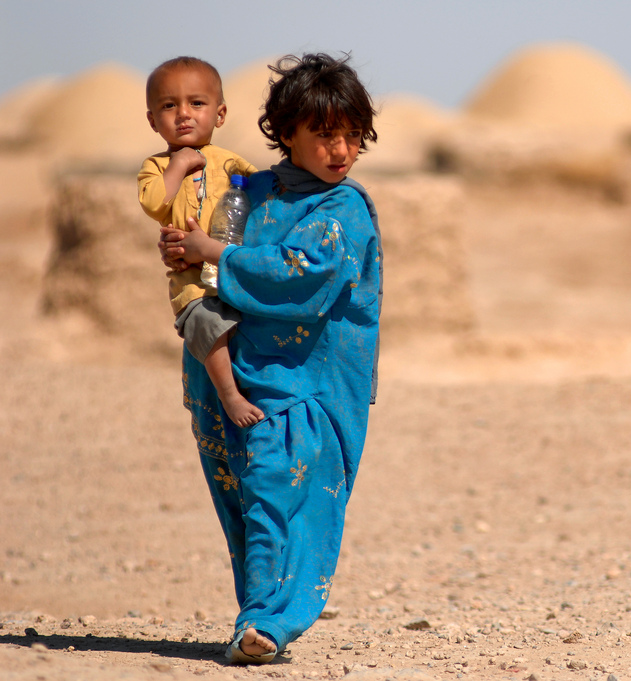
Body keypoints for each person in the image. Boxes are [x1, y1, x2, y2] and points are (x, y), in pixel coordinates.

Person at [159, 52, 381, 664]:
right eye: (324, 134)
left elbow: (303, 279)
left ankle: (266, 623)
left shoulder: (343, 210)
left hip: (303, 387)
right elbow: (195, 239)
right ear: (286, 135)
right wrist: (182, 242)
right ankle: (257, 615)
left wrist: (212, 256)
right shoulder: (246, 191)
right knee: (247, 503)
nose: (340, 150)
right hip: (224, 378)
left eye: (351, 135)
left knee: (280, 495)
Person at [139, 56, 264, 428]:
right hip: (191, 281)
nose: (183, 114)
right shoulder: (157, 166)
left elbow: (264, 199)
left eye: (196, 103)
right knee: (206, 323)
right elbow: (153, 202)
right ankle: (229, 396)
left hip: (231, 268)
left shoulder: (232, 163)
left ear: (220, 114)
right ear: (152, 120)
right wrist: (178, 165)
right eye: (168, 105)